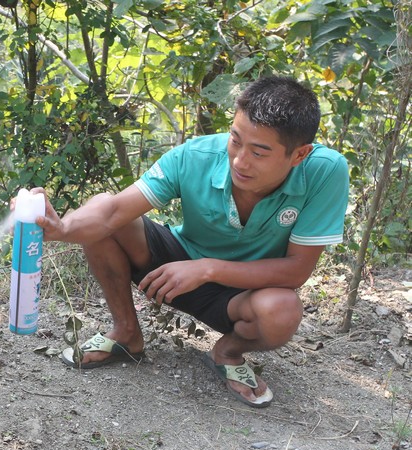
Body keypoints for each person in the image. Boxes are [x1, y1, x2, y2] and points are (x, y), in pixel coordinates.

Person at [31, 76, 349, 408]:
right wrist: (62, 227)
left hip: (244, 291)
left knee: (282, 311)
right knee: (103, 216)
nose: (240, 160)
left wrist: (207, 269)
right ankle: (126, 333)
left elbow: (296, 270)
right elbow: (112, 211)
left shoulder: (325, 172)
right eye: (236, 140)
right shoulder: (196, 156)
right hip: (175, 264)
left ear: (299, 155)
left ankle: (227, 352)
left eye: (259, 152)